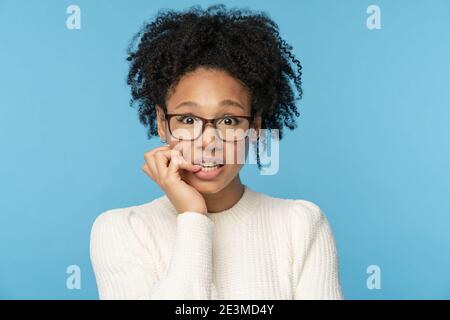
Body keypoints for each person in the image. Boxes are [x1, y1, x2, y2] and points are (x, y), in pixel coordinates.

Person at [90, 4, 343, 300]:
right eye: (187, 120)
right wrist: (193, 216)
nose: (208, 141)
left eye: (229, 120)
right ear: (162, 123)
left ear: (255, 125)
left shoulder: (301, 224)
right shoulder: (122, 230)